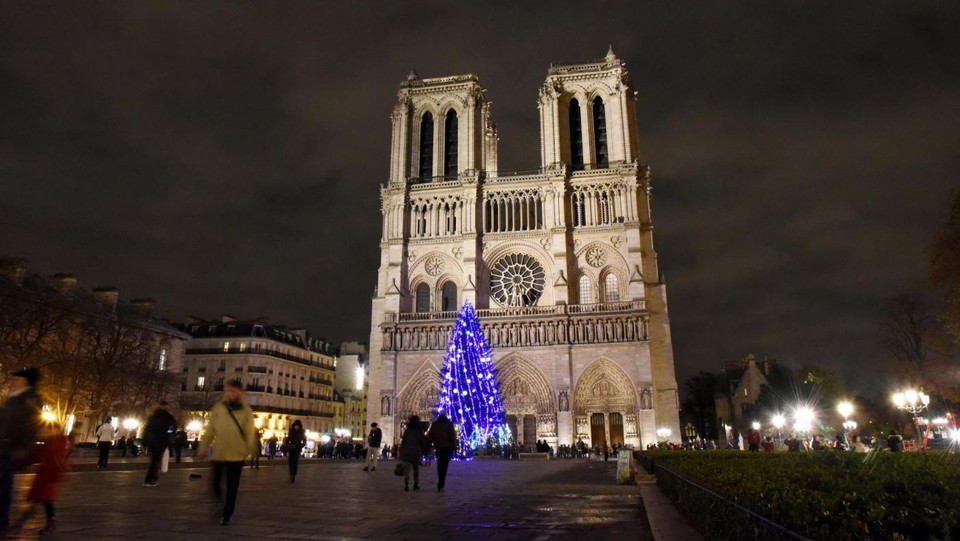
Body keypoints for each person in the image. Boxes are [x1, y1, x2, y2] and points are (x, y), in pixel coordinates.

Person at [198, 380, 257, 526]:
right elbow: (210, 429)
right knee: (215, 483)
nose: (231, 393)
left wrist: (250, 450)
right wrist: (203, 447)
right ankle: (219, 502)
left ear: (240, 392)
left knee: (232, 487)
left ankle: (227, 514)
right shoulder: (218, 408)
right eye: (229, 390)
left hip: (237, 454)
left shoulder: (246, 410)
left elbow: (250, 433)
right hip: (219, 452)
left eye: (234, 391)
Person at [0, 367, 42, 533]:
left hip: (11, 446)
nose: (14, 382)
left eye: (17, 379)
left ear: (26, 381)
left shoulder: (31, 399)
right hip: (3, 444)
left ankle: (2, 519)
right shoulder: (14, 398)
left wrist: (23, 447)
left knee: (3, 482)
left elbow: (32, 425)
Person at [13, 423, 70, 535]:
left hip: (48, 477)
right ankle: (25, 522)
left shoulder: (55, 443)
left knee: (45, 500)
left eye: (47, 430)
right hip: (44, 476)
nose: (45, 432)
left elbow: (40, 455)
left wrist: (20, 463)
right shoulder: (52, 442)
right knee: (43, 500)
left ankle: (25, 523)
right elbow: (36, 455)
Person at [142, 402, 176, 487]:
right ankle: (151, 479)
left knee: (154, 460)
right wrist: (168, 435)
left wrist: (145, 440)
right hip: (161, 440)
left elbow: (147, 429)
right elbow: (172, 429)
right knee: (156, 460)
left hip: (152, 440)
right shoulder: (169, 417)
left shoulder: (153, 416)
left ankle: (151, 478)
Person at [427, 412, 458, 493]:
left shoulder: (435, 424)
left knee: (440, 465)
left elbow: (430, 436)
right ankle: (441, 484)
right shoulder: (449, 424)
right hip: (447, 448)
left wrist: (429, 445)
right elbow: (453, 436)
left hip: (438, 447)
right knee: (444, 466)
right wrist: (454, 447)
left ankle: (440, 482)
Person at [398, 415, 428, 492]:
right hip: (416, 452)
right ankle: (416, 484)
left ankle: (406, 484)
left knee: (407, 469)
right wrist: (425, 450)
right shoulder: (419, 431)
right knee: (416, 469)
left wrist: (401, 451)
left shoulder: (407, 431)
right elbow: (423, 441)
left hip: (407, 452)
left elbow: (403, 442)